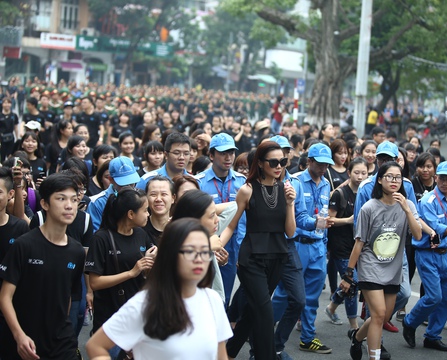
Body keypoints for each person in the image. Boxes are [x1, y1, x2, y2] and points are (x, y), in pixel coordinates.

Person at [85, 218, 232, 359]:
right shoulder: (146, 304)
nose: (199, 259)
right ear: (170, 255)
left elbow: (220, 354)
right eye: (190, 251)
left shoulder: (212, 299)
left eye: (205, 251)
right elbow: (96, 346)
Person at [222, 141, 296, 359]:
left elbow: (290, 232)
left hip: (278, 256)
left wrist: (290, 204)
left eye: (282, 161)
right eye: (274, 162)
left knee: (253, 311)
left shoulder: (286, 189)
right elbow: (231, 225)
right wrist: (214, 245)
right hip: (252, 258)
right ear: (261, 163)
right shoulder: (246, 190)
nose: (279, 166)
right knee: (265, 312)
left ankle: (227, 352)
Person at [0, 173, 85, 360]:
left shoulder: (77, 251)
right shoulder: (24, 245)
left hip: (61, 342)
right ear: (45, 204)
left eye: (73, 199)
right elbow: (5, 296)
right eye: (61, 199)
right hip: (24, 340)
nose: (69, 205)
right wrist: (18, 334)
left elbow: (69, 295)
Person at [346, 161, 422, 360]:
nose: (394, 181)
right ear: (379, 180)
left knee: (383, 316)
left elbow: (418, 235)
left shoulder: (408, 205)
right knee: (378, 313)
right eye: (389, 176)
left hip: (393, 268)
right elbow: (359, 244)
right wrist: (348, 274)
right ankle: (374, 357)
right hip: (370, 265)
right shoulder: (369, 208)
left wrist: (406, 208)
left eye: (398, 177)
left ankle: (357, 337)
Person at [272, 142, 334, 354]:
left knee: (312, 296)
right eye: (320, 163)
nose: (324, 167)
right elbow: (295, 218)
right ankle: (262, 328)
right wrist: (315, 222)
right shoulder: (296, 181)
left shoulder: (326, 184)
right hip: (297, 245)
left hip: (317, 246)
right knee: (283, 292)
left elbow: (324, 216)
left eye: (327, 164)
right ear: (309, 162)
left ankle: (307, 337)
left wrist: (324, 243)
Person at [85, 187, 157, 359]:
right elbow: (94, 282)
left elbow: (148, 271)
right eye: (145, 210)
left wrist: (149, 264)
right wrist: (131, 272)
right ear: (131, 214)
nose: (148, 214)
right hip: (110, 315)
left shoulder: (141, 234)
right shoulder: (101, 238)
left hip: (138, 313)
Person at [402, 161, 447, 352]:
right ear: (436, 178)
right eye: (442, 178)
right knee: (434, 296)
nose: (445, 182)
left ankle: (432, 336)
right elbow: (435, 228)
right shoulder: (428, 200)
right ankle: (410, 322)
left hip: (445, 254)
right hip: (427, 253)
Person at [195, 133, 246, 307]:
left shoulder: (243, 183)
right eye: (223, 153)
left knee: (224, 300)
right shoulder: (199, 183)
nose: (228, 157)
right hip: (206, 247)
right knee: (203, 298)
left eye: (231, 152)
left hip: (234, 248)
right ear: (211, 155)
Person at [324, 157, 368, 329]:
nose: (360, 176)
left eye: (364, 173)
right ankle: (354, 327)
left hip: (359, 246)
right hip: (340, 247)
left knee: (349, 282)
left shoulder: (367, 194)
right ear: (349, 173)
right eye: (356, 172)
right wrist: (349, 220)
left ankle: (332, 306)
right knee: (353, 283)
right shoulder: (340, 193)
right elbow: (329, 219)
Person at [87, 156, 141, 231]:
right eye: (123, 185)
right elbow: (95, 234)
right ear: (111, 179)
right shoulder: (98, 203)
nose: (128, 188)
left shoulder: (140, 198)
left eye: (131, 183)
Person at [143, 176, 175, 243]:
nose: (158, 199)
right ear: (146, 198)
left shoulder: (179, 229)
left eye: (164, 194)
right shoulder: (140, 229)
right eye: (153, 194)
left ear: (173, 198)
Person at [0, 98, 19, 162]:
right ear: (2, 104)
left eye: (8, 103)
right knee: (1, 156)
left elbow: (16, 127)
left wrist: (17, 137)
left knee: (10, 156)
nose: (7, 105)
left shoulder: (14, 115)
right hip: (1, 138)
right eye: (5, 103)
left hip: (11, 137)